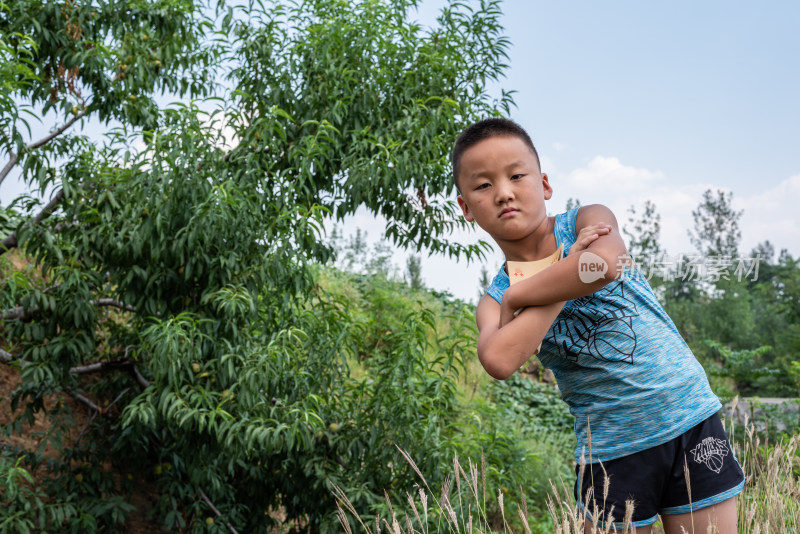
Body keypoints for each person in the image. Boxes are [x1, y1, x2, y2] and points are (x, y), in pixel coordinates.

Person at [453, 118, 744, 533]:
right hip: (611, 450)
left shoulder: (588, 219)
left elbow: (603, 265)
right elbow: (499, 359)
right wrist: (544, 280)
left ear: (545, 184)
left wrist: (525, 297)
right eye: (483, 185)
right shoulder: (496, 298)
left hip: (687, 416)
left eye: (517, 175)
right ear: (465, 207)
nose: (504, 192)